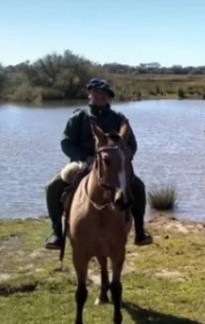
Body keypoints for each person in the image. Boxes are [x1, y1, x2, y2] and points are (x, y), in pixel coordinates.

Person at [44, 78, 152, 250]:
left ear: (109, 97)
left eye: (104, 93)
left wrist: (122, 160)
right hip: (82, 164)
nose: (100, 96)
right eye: (96, 92)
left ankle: (140, 231)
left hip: (112, 167)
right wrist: (85, 158)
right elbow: (66, 143)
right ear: (89, 94)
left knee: (138, 186)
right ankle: (57, 233)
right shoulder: (78, 117)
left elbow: (131, 145)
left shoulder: (119, 119)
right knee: (53, 187)